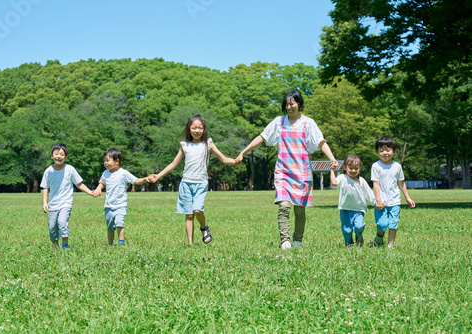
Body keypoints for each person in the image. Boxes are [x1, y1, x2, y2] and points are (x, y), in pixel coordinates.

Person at [235, 91, 338, 250]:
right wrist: (243, 152)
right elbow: (261, 137)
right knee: (284, 206)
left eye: (292, 103)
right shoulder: (279, 122)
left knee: (299, 211)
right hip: (283, 172)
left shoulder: (308, 123)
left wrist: (332, 158)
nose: (289, 107)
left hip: (302, 172)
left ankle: (297, 239)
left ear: (299, 103)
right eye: (287, 104)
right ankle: (285, 240)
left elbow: (320, 141)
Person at [147, 114, 236, 246]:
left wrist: (234, 161)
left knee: (197, 210)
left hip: (201, 183)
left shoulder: (208, 144)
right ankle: (190, 244)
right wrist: (158, 176)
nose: (197, 131)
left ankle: (204, 228)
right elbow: (173, 164)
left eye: (200, 128)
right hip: (186, 184)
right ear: (189, 129)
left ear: (204, 129)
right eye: (194, 128)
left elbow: (223, 158)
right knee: (189, 215)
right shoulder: (185, 145)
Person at [41, 143, 94, 250]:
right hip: (53, 204)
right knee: (52, 227)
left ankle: (65, 246)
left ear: (65, 157)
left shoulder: (70, 169)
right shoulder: (48, 171)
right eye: (56, 154)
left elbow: (78, 183)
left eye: (61, 154)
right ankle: (55, 246)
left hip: (66, 202)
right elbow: (45, 187)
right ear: (51, 155)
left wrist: (90, 192)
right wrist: (44, 202)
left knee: (62, 222)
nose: (58, 156)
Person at [92, 148, 148, 246]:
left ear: (117, 161)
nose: (105, 163)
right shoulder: (105, 173)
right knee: (110, 227)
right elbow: (102, 183)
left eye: (108, 160)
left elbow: (136, 180)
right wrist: (98, 188)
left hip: (120, 205)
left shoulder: (123, 173)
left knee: (119, 223)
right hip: (108, 206)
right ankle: (110, 244)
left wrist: (145, 179)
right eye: (104, 161)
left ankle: (121, 243)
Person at [371, 136, 416, 248]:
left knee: (393, 224)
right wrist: (378, 200)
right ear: (377, 152)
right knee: (381, 224)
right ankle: (379, 237)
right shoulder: (376, 166)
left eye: (388, 150)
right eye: (381, 151)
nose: (385, 153)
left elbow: (401, 183)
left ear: (394, 151)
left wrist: (407, 197)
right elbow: (375, 184)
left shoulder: (397, 166)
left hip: (394, 200)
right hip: (381, 201)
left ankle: (390, 245)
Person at [330, 155, 375, 246]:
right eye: (351, 168)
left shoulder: (361, 181)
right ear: (345, 168)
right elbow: (334, 183)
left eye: (356, 168)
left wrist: (376, 202)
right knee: (346, 230)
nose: (353, 171)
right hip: (345, 209)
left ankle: (359, 235)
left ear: (360, 168)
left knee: (359, 226)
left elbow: (369, 193)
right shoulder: (343, 178)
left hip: (359, 209)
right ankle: (349, 244)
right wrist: (332, 171)